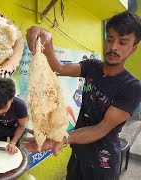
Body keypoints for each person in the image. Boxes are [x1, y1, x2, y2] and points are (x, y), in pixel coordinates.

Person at [23, 11, 141, 180]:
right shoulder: (92, 66)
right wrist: (47, 42)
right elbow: (59, 69)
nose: (113, 47)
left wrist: (61, 138)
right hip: (78, 154)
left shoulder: (132, 87)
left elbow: (101, 128)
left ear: (133, 49)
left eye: (122, 42)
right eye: (110, 39)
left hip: (103, 163)